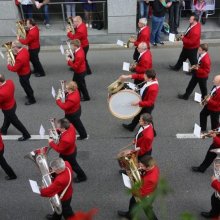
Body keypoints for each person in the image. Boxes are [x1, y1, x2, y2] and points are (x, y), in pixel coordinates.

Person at [118, 156, 160, 220]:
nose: (140, 167)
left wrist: (131, 187)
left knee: (147, 210)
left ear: (148, 167)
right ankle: (130, 215)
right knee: (133, 201)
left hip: (146, 195)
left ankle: (130, 215)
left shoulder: (150, 179)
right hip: (149, 190)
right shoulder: (154, 167)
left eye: (142, 166)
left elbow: (141, 193)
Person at [48, 118, 87, 183]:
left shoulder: (66, 139)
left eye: (59, 127)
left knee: (74, 166)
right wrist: (55, 130)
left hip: (68, 154)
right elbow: (62, 131)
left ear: (63, 128)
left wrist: (51, 142)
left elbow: (59, 149)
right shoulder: (70, 125)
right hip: (71, 149)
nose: (57, 128)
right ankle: (59, 172)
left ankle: (82, 176)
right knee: (63, 162)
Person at [0, 74, 31, 141]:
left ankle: (26, 134)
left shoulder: (2, 93)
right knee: (7, 118)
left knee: (16, 123)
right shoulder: (10, 82)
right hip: (13, 104)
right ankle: (3, 130)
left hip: (8, 109)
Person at [7, 40, 36, 105]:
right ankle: (29, 95)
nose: (12, 48)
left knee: (26, 86)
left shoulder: (20, 58)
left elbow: (14, 69)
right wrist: (14, 55)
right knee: (26, 85)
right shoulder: (24, 49)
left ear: (16, 47)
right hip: (27, 71)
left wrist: (8, 65)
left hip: (23, 74)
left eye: (13, 47)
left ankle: (32, 99)